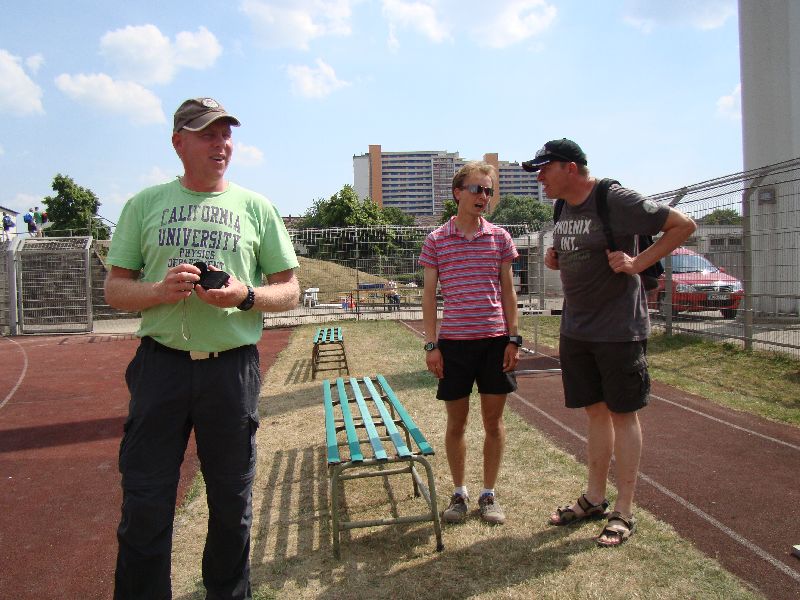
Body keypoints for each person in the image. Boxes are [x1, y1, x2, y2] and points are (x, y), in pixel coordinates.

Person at [105, 97, 300, 599]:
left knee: (232, 502)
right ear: (179, 142)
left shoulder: (256, 207)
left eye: (225, 134)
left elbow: (290, 290)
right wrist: (158, 289)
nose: (221, 143)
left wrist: (245, 295)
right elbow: (114, 289)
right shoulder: (144, 204)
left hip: (230, 372)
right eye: (208, 134)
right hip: (160, 367)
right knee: (145, 500)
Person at [522, 138, 696, 547]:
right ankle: (594, 498)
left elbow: (684, 225)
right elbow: (576, 250)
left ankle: (624, 510)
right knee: (595, 413)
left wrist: (639, 263)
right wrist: (555, 257)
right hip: (577, 328)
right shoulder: (562, 207)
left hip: (618, 330)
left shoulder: (613, 197)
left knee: (622, 415)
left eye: (545, 169)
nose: (540, 178)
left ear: (569, 167)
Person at [419, 161, 521, 525]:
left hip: (495, 343)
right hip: (455, 345)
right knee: (456, 423)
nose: (483, 196)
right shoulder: (436, 240)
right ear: (458, 192)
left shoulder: (500, 238)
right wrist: (432, 345)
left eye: (488, 191)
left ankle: (488, 493)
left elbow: (508, 291)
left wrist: (513, 338)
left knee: (493, 422)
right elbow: (428, 296)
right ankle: (459, 492)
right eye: (477, 189)